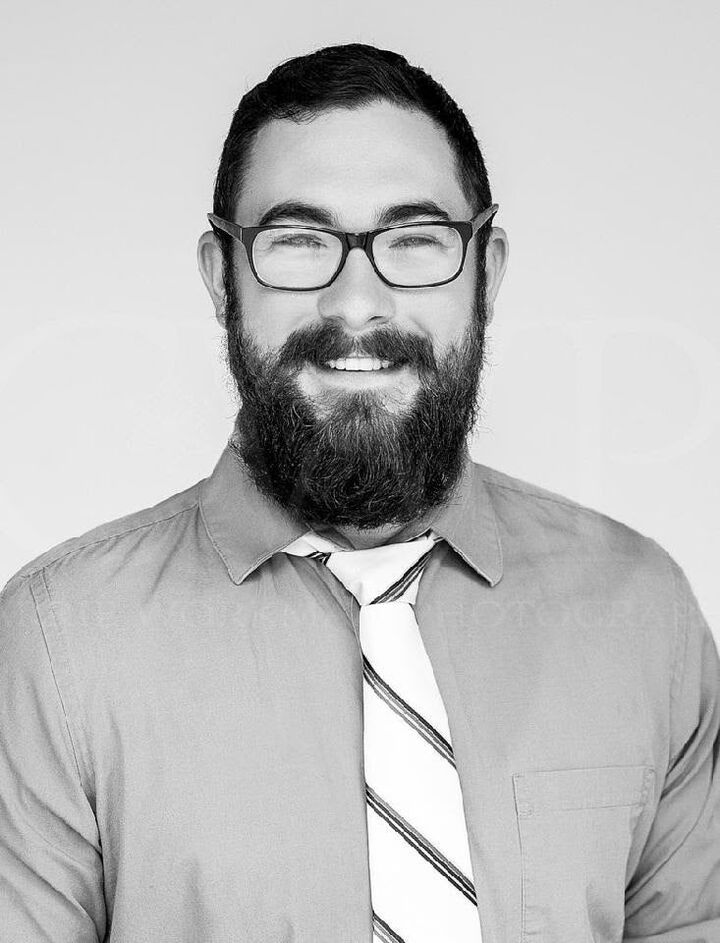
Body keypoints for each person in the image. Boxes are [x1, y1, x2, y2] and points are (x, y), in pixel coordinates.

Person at [1, 42, 718, 943]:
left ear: (487, 272)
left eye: (414, 241)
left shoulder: (643, 618)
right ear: (222, 277)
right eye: (298, 243)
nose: (356, 302)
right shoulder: (56, 645)